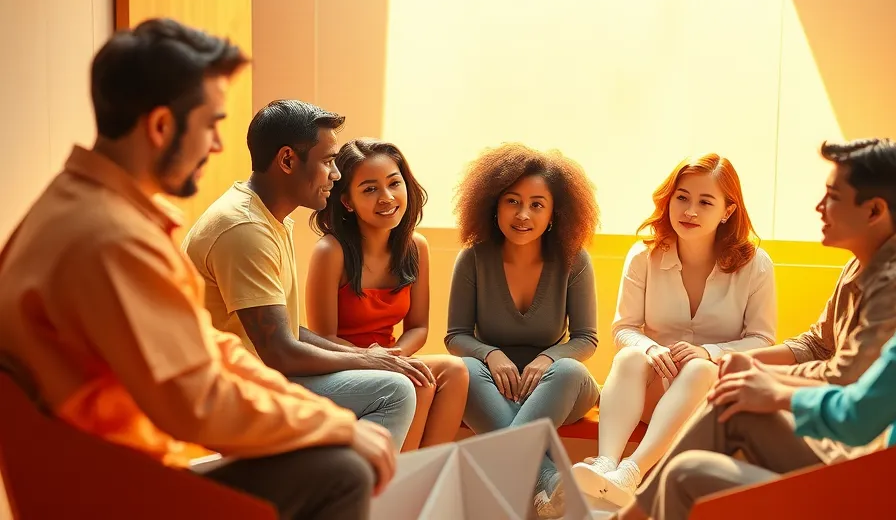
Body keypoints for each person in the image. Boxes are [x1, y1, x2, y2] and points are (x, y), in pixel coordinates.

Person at [0, 19, 394, 520]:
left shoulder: (77, 206)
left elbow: (209, 350)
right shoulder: (112, 237)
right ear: (162, 126)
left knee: (331, 455)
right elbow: (198, 402)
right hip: (112, 492)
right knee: (341, 471)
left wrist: (322, 417)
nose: (217, 145)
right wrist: (337, 426)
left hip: (109, 473)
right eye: (210, 124)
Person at [615, 137, 896, 520]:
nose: (819, 208)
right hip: (835, 435)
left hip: (860, 457)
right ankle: (633, 510)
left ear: (874, 211)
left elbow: (845, 379)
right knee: (725, 404)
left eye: (833, 197)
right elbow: (817, 346)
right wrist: (741, 364)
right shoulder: (861, 264)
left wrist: (765, 380)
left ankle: (631, 511)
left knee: (718, 424)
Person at [181, 100, 425, 448]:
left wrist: (370, 358)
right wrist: (364, 358)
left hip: (264, 374)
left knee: (406, 377)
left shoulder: (267, 220)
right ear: (287, 160)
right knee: (393, 390)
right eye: (328, 162)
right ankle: (358, 499)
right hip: (234, 390)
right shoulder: (245, 228)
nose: (336, 175)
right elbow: (279, 351)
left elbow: (287, 329)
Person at [572, 154, 777, 506]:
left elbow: (763, 339)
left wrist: (709, 352)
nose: (690, 211)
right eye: (681, 197)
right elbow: (624, 328)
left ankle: (631, 472)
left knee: (699, 367)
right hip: (653, 389)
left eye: (705, 201)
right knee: (631, 357)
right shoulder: (643, 256)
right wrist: (652, 350)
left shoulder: (756, 265)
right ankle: (607, 464)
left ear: (728, 211)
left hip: (709, 401)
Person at [445, 143, 601, 519]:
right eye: (512, 201)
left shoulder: (575, 259)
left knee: (566, 370)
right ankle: (549, 481)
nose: (523, 214)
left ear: (553, 214)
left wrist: (549, 358)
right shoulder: (473, 259)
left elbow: (586, 339)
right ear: (494, 206)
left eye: (536, 204)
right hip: (492, 388)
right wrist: (490, 354)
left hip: (559, 388)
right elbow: (456, 336)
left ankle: (521, 478)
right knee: (461, 372)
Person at [306, 137, 469, 452]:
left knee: (456, 371)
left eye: (394, 184)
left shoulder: (416, 247)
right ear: (347, 201)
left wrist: (396, 359)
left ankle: (427, 474)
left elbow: (419, 327)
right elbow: (322, 338)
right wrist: (377, 361)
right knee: (416, 383)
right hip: (342, 367)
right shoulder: (331, 251)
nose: (386, 197)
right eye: (369, 189)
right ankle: (398, 482)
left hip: (391, 361)